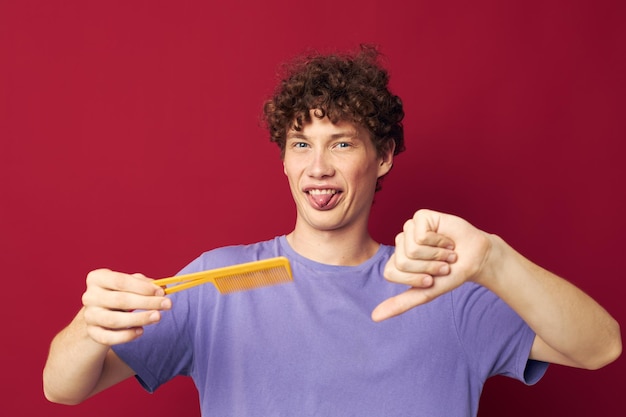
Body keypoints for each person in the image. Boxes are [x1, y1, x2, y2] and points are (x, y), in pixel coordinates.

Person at [43, 46, 621, 417]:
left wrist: (493, 259)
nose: (318, 167)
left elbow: (602, 348)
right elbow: (62, 387)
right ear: (285, 160)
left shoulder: (445, 287)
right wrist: (89, 324)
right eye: (301, 145)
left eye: (341, 143)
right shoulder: (222, 281)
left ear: (384, 156)